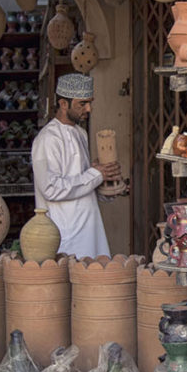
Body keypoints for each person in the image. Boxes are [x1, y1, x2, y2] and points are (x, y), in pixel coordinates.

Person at [31, 73, 121, 258]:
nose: (88, 109)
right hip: (65, 234)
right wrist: (96, 175)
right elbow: (50, 188)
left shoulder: (81, 133)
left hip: (90, 229)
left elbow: (82, 179)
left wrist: (106, 179)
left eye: (90, 102)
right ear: (63, 104)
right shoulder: (47, 139)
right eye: (82, 104)